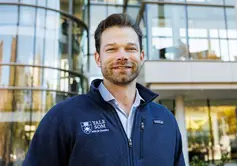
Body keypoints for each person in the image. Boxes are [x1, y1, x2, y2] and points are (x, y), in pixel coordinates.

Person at [23, 13, 186, 166]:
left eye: (130, 48)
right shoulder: (62, 117)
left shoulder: (166, 119)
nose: (122, 56)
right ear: (98, 58)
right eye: (112, 49)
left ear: (141, 56)